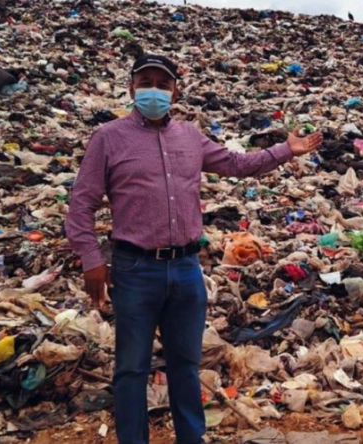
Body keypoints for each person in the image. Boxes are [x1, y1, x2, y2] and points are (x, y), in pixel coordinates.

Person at [65, 54, 322, 444]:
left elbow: (238, 164)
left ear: (175, 90)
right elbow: (81, 202)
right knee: (131, 368)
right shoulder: (108, 137)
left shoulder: (190, 136)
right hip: (134, 268)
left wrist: (285, 151)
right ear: (132, 87)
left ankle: (192, 438)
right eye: (146, 81)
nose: (154, 90)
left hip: (186, 267)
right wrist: (91, 259)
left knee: (186, 364)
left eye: (162, 84)